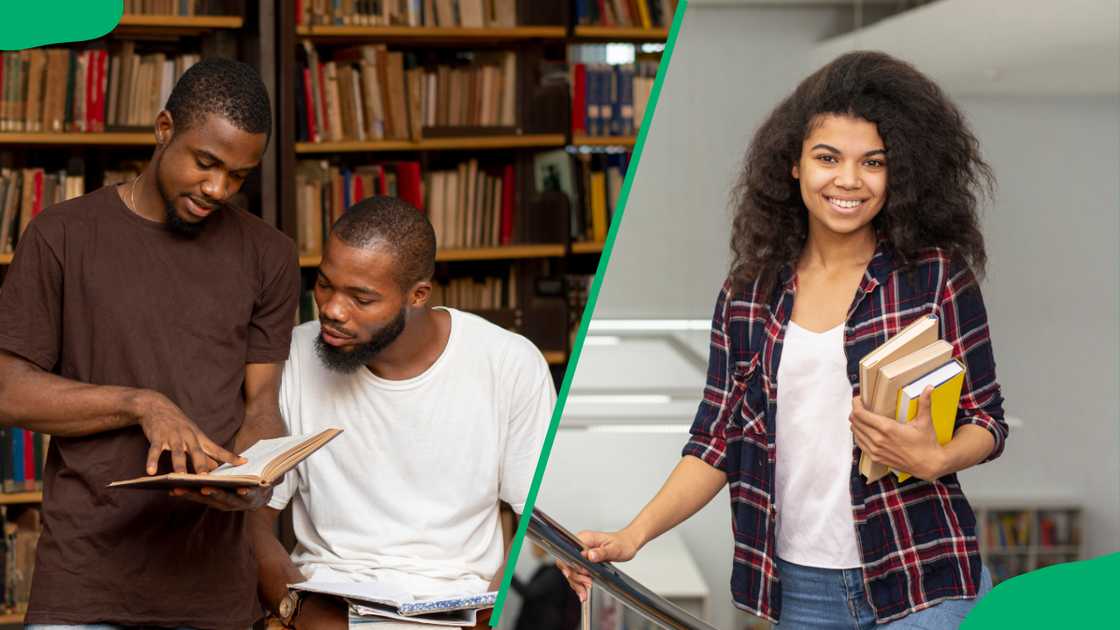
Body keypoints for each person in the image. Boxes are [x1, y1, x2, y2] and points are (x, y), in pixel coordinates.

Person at [560, 51, 1009, 628]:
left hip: (924, 573)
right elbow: (715, 441)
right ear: (794, 164)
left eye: (873, 162)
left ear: (899, 173)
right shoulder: (747, 295)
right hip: (801, 590)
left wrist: (937, 457)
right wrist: (632, 535)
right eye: (828, 157)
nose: (849, 180)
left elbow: (986, 419)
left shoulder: (935, 276)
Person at [0, 58, 300, 629]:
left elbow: (261, 404)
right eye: (206, 163)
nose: (218, 189)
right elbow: (7, 391)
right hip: (86, 583)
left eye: (238, 176)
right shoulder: (61, 235)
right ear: (164, 129)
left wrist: (253, 478)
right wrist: (142, 404)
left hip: (212, 588)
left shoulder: (271, 255)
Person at [250, 196, 554, 629]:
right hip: (325, 608)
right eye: (324, 284)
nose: (332, 310)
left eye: (361, 298)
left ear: (418, 295)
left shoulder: (509, 364)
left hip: (457, 610)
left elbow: (538, 525)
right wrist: (293, 609)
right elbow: (251, 518)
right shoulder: (296, 355)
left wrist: (485, 618)